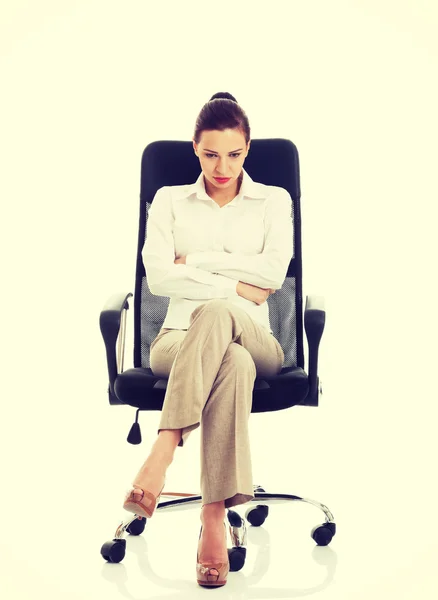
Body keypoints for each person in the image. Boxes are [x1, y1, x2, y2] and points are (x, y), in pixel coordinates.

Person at [123, 92, 294, 587]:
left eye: (235, 154)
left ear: (248, 150)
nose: (223, 166)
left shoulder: (272, 201)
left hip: (260, 342)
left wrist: (193, 263)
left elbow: (273, 274)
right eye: (211, 154)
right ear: (195, 149)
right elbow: (157, 278)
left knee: (224, 319)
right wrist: (238, 284)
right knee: (232, 362)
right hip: (176, 343)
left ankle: (163, 448)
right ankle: (214, 518)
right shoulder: (169, 201)